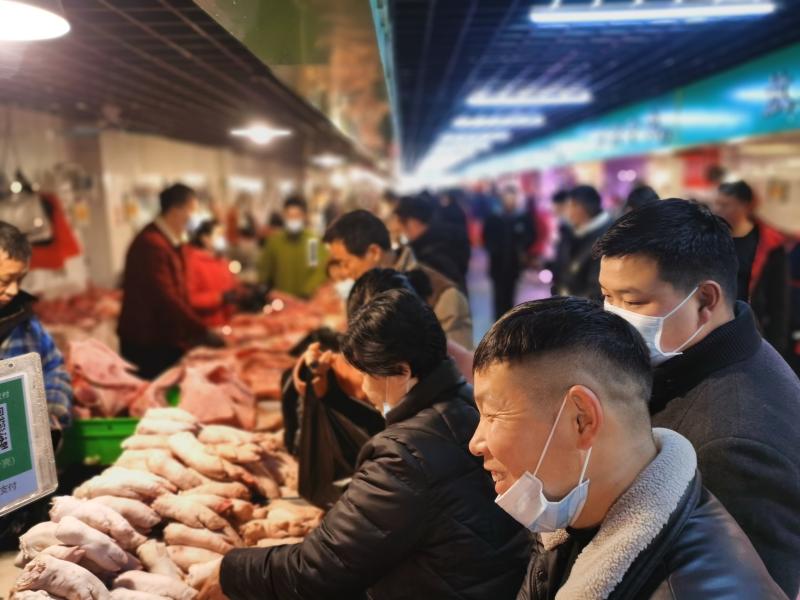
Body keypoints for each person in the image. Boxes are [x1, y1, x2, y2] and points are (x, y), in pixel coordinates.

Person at [469, 297, 786, 599]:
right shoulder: (568, 521)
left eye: (493, 415)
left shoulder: (685, 590)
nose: (476, 443)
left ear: (582, 419)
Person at [220, 289, 528, 599]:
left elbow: (318, 568)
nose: (365, 388)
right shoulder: (467, 403)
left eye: (367, 374)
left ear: (403, 372)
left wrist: (228, 570)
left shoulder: (404, 457)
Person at [594, 199, 800, 598]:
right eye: (606, 296)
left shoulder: (733, 443)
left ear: (705, 300)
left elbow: (747, 588)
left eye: (633, 302)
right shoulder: (704, 358)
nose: (613, 316)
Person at [324, 210, 473, 348]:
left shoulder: (442, 295)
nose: (345, 272)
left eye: (346, 263)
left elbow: (458, 363)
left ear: (374, 252)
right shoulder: (364, 291)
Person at [118, 183, 222, 380]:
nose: (195, 217)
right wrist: (201, 330)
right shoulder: (152, 244)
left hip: (163, 338)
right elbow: (165, 297)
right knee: (159, 395)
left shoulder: (169, 240)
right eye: (192, 210)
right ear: (176, 210)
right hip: (148, 343)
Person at [0, 222, 71, 432]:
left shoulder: (26, 324)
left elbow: (54, 367)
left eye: (20, 279)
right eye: (5, 281)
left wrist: (52, 412)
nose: (14, 290)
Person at [714, 180, 789, 353]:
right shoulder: (712, 236)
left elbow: (778, 299)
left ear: (745, 206)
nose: (718, 210)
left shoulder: (769, 244)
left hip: (751, 326)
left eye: (725, 205)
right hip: (714, 325)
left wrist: (778, 345)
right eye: (716, 203)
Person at [394, 194, 471, 290]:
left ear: (413, 222)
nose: (398, 229)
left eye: (400, 223)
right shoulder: (448, 237)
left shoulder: (430, 255)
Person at [257, 196, 328, 299]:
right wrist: (264, 286)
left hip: (305, 300)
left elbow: (318, 270)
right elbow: (266, 268)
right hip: (280, 299)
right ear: (284, 216)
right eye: (289, 215)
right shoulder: (275, 242)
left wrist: (307, 290)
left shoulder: (311, 242)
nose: (293, 219)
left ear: (304, 216)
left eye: (297, 215)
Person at [483, 187, 536, 319]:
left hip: (514, 264)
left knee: (510, 294)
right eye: (507, 199)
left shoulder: (522, 217)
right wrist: (493, 249)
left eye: (512, 199)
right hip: (497, 264)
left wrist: (522, 247)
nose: (510, 202)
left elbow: (531, 235)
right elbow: (486, 237)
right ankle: (498, 322)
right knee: (498, 295)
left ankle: (508, 321)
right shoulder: (494, 218)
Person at [556, 185, 611, 300]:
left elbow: (596, 289)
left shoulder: (607, 236)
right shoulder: (574, 231)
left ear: (583, 207)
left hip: (583, 306)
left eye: (571, 206)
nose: (568, 212)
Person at [184, 220, 237, 328]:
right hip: (204, 326)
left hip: (226, 323)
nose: (223, 239)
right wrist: (219, 298)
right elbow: (190, 298)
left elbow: (232, 286)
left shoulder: (223, 261)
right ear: (205, 238)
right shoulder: (192, 262)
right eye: (219, 234)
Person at [548, 189, 573, 296]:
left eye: (555, 206)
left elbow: (565, 256)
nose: (553, 209)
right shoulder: (562, 224)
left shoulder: (570, 226)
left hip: (566, 280)